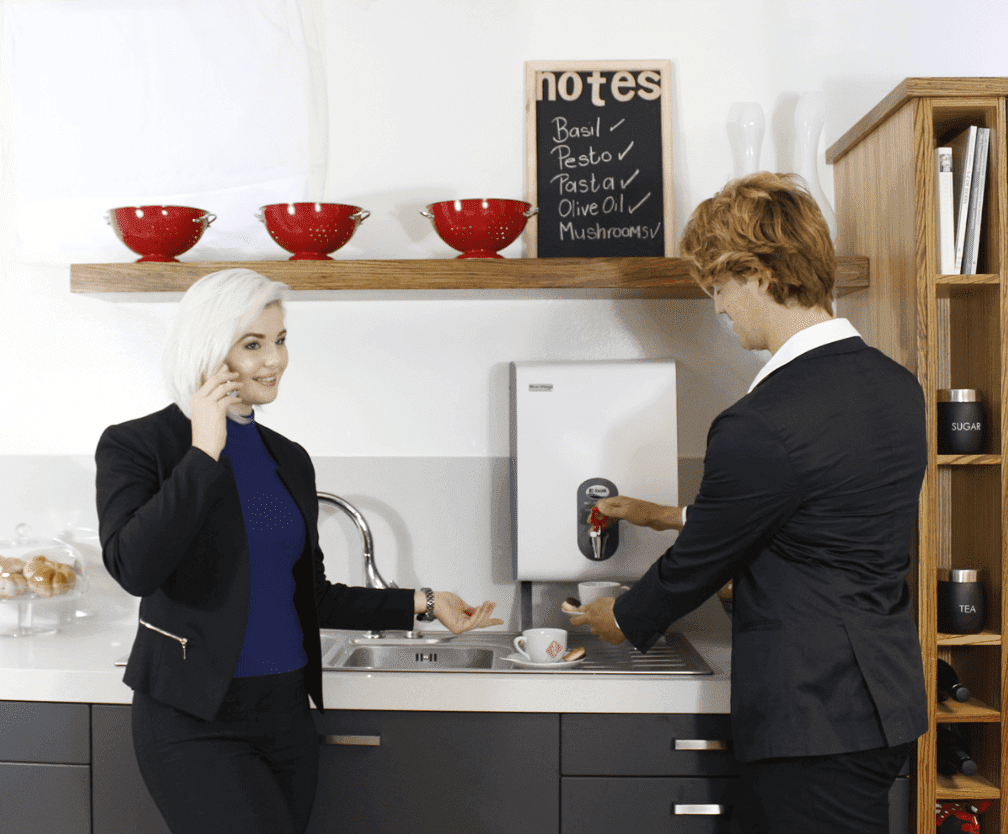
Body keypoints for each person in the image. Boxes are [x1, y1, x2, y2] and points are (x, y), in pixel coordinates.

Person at [569, 172, 928, 834]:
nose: (717, 307)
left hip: (808, 717)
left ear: (759, 271)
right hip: (883, 704)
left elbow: (697, 564)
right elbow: (808, 512)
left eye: (718, 285)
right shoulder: (897, 388)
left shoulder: (760, 420)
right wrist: (658, 514)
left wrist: (624, 616)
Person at [95, 268, 502, 834]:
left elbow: (310, 595)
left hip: (284, 717)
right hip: (193, 718)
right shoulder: (138, 445)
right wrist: (204, 450)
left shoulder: (288, 457)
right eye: (253, 345)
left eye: (280, 340)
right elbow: (133, 567)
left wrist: (426, 604)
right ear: (209, 353)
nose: (275, 361)